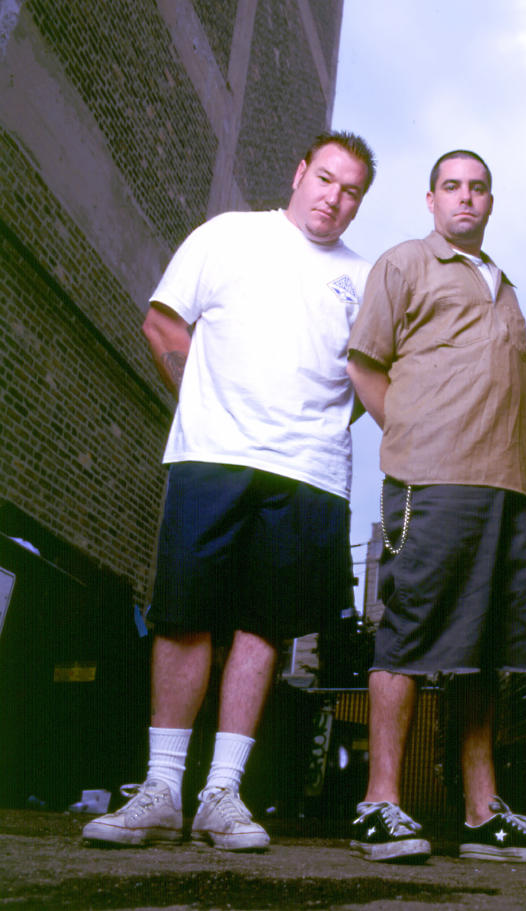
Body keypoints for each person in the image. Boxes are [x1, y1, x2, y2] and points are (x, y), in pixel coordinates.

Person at [82, 130, 376, 852]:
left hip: (307, 472)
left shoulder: (363, 278)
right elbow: (162, 323)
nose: (334, 199)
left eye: (351, 192)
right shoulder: (229, 235)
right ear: (300, 170)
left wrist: (317, 424)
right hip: (213, 455)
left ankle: (221, 793)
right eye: (327, 179)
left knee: (263, 626)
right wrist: (209, 405)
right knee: (184, 613)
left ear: (358, 204)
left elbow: (369, 376)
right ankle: (159, 788)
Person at [346, 150, 526, 864]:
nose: (465, 198)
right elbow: (363, 361)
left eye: (478, 188)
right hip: (431, 479)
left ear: (491, 202)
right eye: (452, 187)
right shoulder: (405, 262)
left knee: (483, 650)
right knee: (409, 634)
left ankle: (481, 811)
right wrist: (411, 433)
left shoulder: (504, 284)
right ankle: (380, 801)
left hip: (504, 487)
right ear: (431, 199)